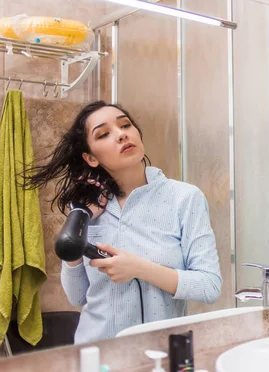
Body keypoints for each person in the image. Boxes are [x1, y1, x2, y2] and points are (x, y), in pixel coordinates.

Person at [23, 100, 222, 344]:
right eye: (104, 134)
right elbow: (77, 297)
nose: (121, 135)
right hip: (96, 353)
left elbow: (209, 286)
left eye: (125, 125)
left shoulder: (184, 198)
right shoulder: (88, 208)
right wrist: (80, 220)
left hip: (158, 353)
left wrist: (138, 268)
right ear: (91, 158)